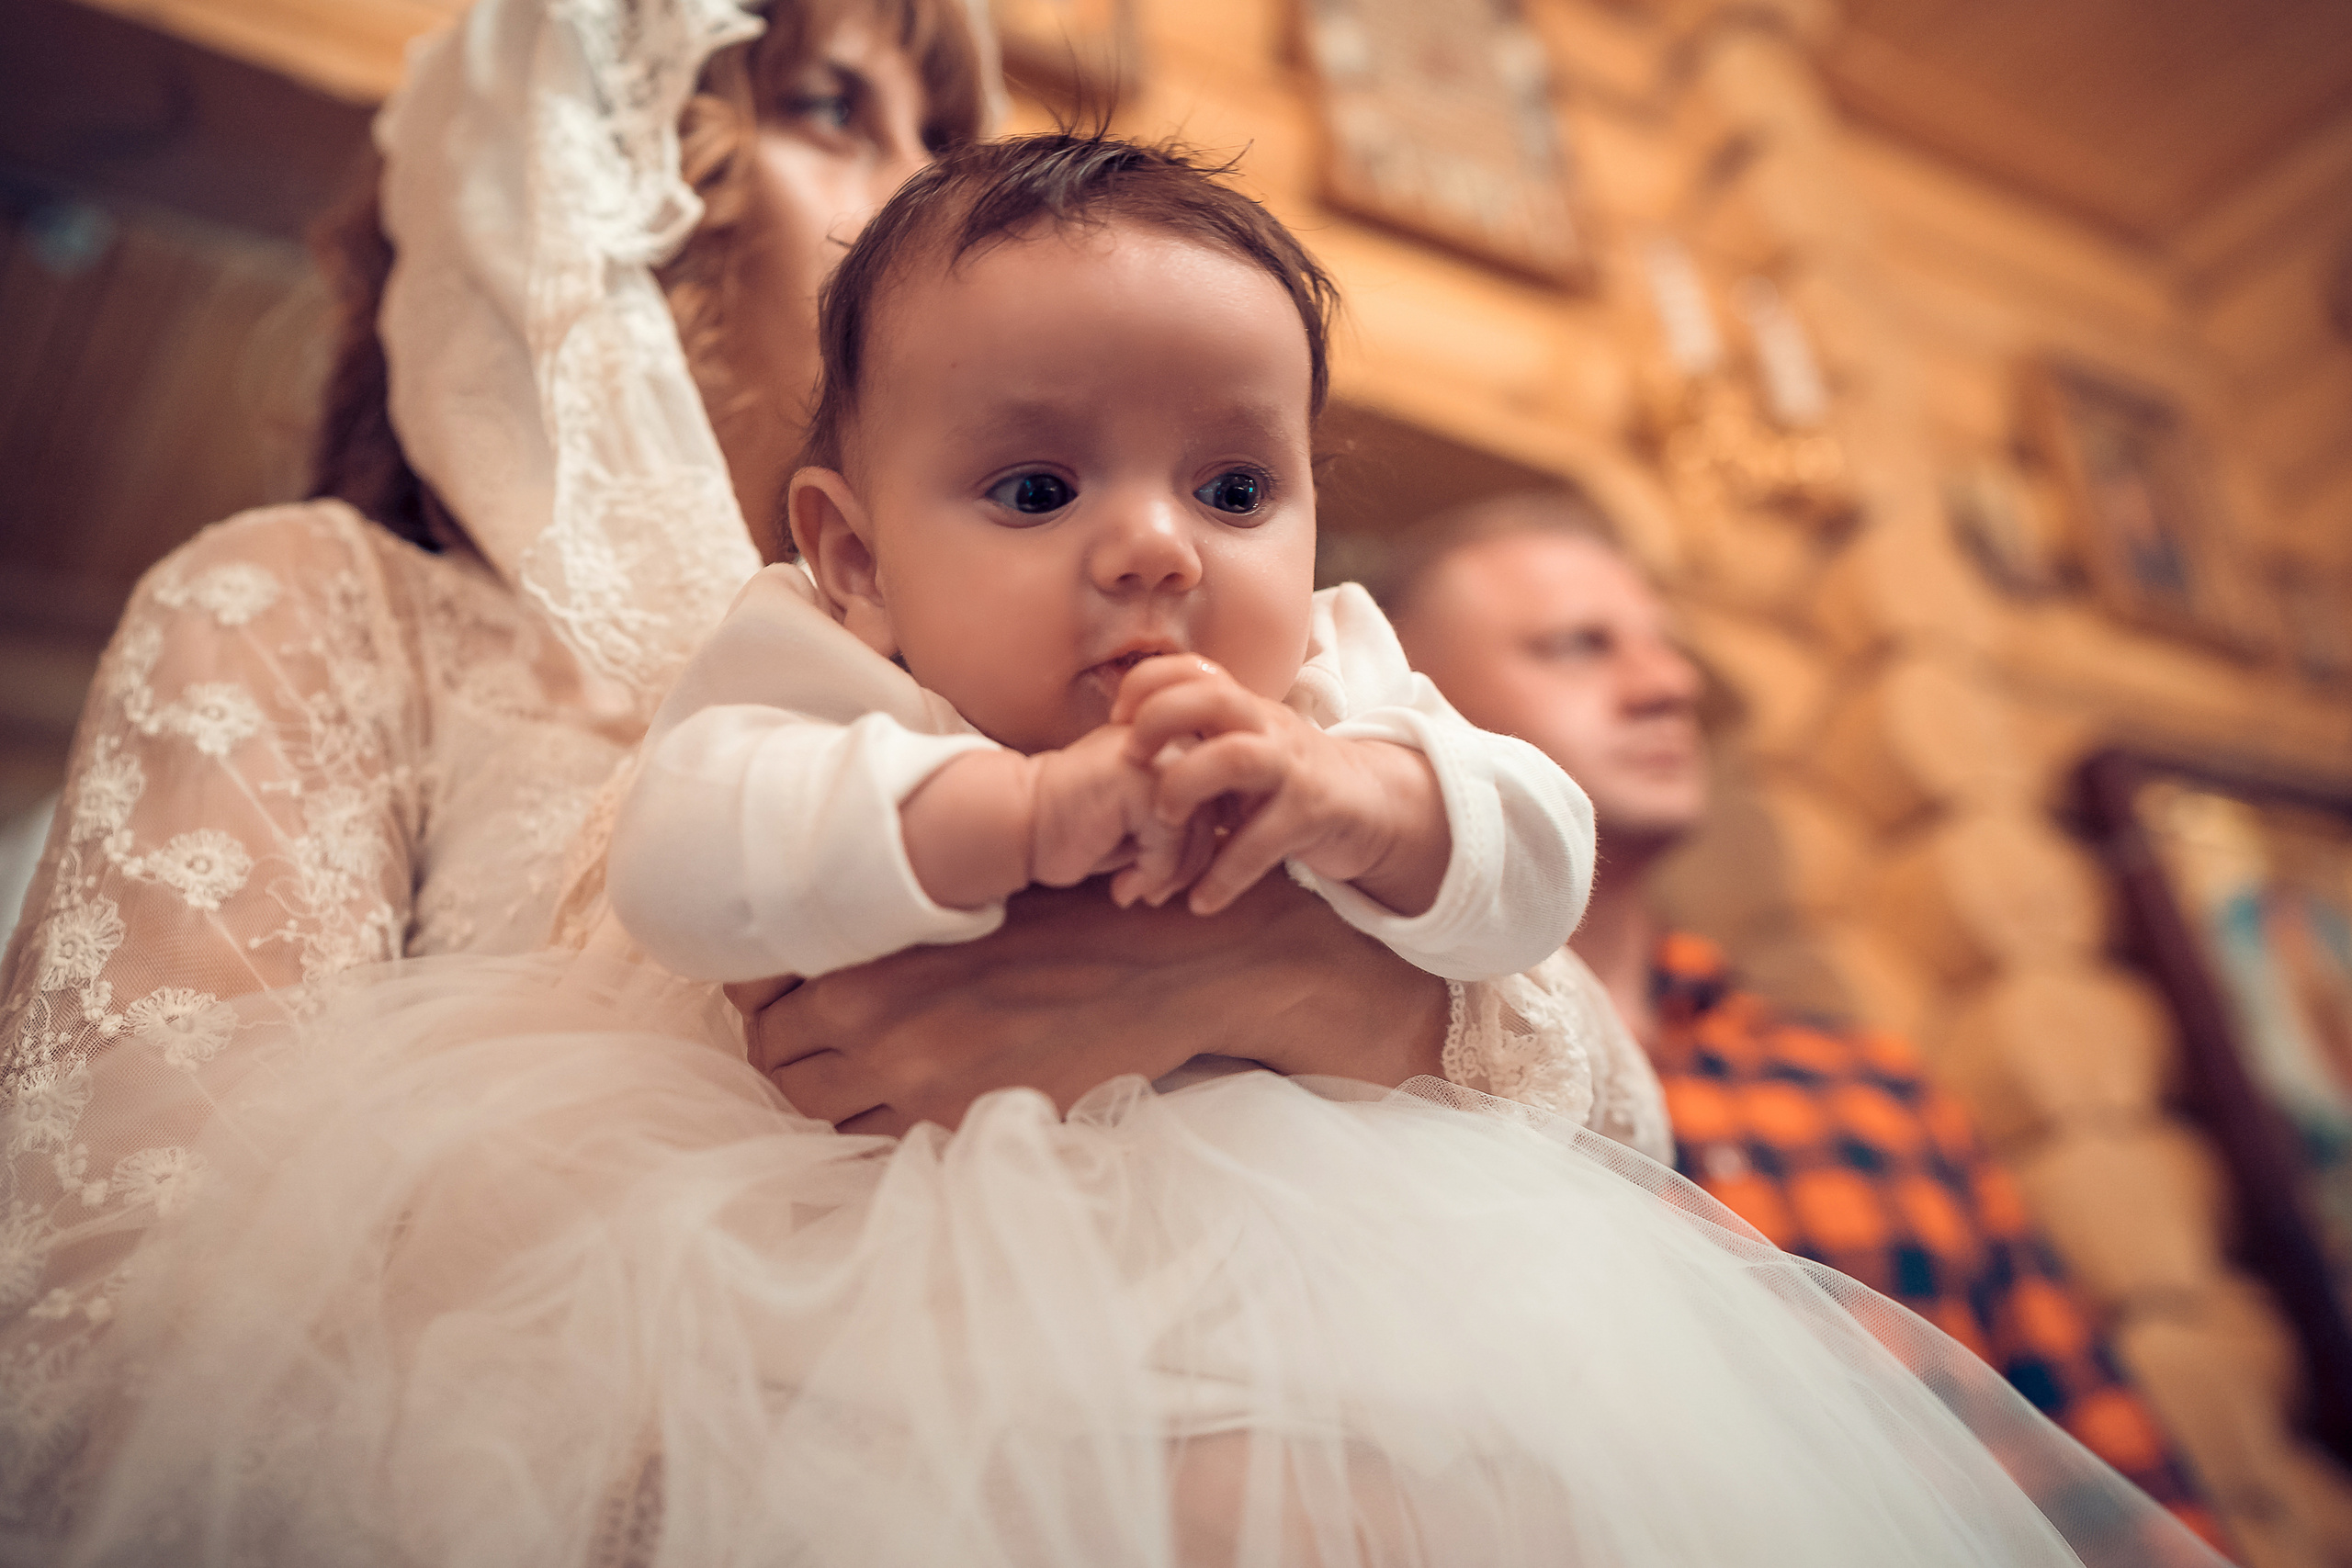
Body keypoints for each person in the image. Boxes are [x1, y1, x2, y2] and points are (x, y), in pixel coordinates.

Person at [14, 131, 2233, 1568]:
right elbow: (698, 860)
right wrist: (1008, 816)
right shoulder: (741, 653)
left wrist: (1361, 826)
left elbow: (1546, 966)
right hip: (807, 1340)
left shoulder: (1333, 677)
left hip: (1341, 1286)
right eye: (1038, 484)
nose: (1156, 549)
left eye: (1236, 489)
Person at [0, 0, 1474, 1514]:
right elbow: (127, 1319)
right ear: (588, 178)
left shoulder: (1159, 664)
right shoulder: (326, 605)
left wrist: (1255, 972)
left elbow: (1615, 1139)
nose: (927, 181)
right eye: (838, 108)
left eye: (946, 134)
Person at [1381, 490, 2224, 1546]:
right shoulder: (1376, 1098)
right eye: (1577, 647)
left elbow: (2103, 1461)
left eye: (1665, 648)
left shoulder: (1870, 1087)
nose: (1669, 685)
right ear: (1419, 713)